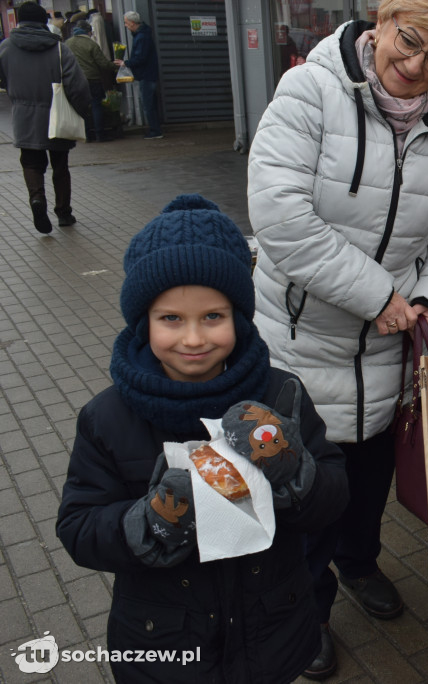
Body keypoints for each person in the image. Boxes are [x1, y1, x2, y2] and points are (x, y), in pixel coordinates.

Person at [246, 0, 428, 677]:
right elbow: (280, 217)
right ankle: (306, 612)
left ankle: (359, 564)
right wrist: (377, 295)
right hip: (301, 341)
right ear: (381, 20)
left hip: (389, 346)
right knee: (306, 489)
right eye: (408, 43)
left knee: (371, 473)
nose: (415, 66)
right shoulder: (309, 90)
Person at [55, 194, 349, 683]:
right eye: (171, 318)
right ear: (142, 320)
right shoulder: (107, 417)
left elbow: (333, 498)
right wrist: (149, 522)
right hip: (164, 640)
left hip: (271, 627)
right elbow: (79, 527)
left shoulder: (280, 393)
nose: (193, 338)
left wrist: (294, 473)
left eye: (213, 316)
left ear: (239, 316)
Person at [0, 1, 90, 234]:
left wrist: (14, 93)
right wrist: (84, 112)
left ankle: (37, 199)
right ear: (44, 22)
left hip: (24, 116)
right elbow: (77, 86)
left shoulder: (6, 47)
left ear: (19, 21)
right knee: (60, 165)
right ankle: (64, 213)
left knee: (30, 162)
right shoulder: (59, 49)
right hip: (57, 114)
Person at [66, 20, 117, 142]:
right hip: (92, 79)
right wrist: (115, 66)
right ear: (88, 32)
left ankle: (86, 135)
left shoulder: (67, 43)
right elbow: (102, 63)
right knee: (96, 105)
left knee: (81, 108)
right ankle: (100, 134)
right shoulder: (91, 44)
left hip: (75, 80)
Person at [115, 10, 161, 139]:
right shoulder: (143, 34)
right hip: (149, 74)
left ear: (132, 23)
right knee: (150, 103)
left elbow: (140, 57)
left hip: (146, 75)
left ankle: (155, 131)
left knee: (148, 104)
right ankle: (155, 129)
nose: (125, 25)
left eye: (126, 23)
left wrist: (126, 63)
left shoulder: (141, 37)